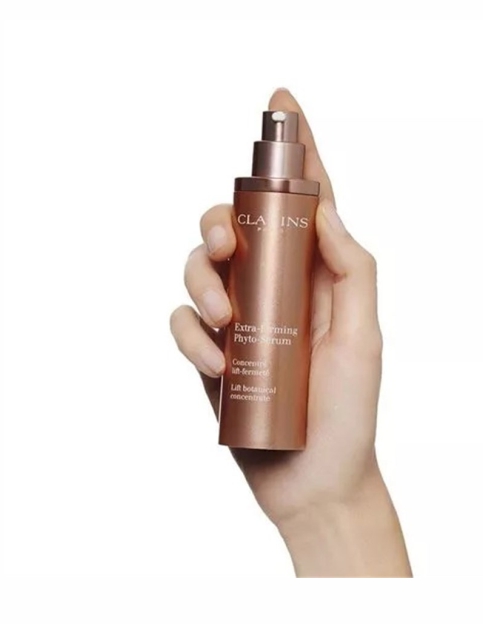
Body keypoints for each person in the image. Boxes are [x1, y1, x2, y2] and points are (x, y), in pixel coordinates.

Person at [169, 89, 412, 578]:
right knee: (226, 261)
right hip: (259, 406)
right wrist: (324, 510)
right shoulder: (254, 199)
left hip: (309, 439)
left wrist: (340, 499)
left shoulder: (302, 206)